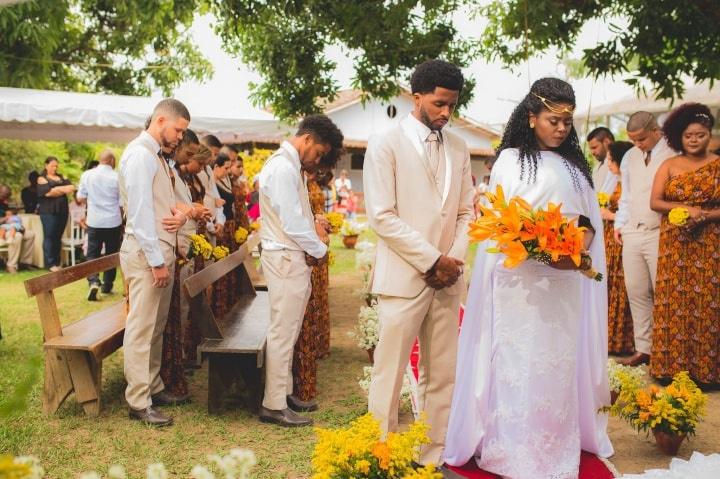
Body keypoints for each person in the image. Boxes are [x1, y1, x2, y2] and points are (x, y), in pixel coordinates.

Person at [445, 78, 613, 478]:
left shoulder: (576, 169)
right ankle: (511, 446)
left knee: (557, 362)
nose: (561, 128)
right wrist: (540, 249)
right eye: (553, 120)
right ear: (532, 117)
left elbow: (587, 219)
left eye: (567, 122)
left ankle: (555, 444)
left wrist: (576, 250)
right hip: (519, 280)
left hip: (564, 280)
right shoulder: (511, 160)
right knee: (517, 360)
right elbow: (502, 220)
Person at [363, 59, 474, 476]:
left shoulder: (460, 147)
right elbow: (382, 216)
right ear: (418, 97)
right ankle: (381, 452)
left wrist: (454, 261)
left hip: (448, 281)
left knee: (441, 373)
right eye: (440, 103)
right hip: (405, 277)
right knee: (388, 373)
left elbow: (467, 212)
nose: (447, 112)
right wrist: (432, 260)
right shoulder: (385, 144)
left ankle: (431, 455)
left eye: (453, 105)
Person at [257, 114, 342, 427]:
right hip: (285, 257)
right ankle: (274, 404)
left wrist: (314, 224)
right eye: (318, 152)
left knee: (289, 329)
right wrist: (320, 250)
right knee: (283, 331)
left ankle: (283, 393)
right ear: (306, 139)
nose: (317, 160)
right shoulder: (282, 167)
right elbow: (290, 222)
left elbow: (295, 216)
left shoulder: (291, 167)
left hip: (290, 256)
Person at [119, 98, 191, 426]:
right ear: (161, 121)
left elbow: (159, 204)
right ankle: (138, 399)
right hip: (147, 254)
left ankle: (153, 385)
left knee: (156, 326)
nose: (180, 137)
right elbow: (139, 215)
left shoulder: (157, 157)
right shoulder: (139, 156)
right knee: (141, 327)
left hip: (161, 252)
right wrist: (156, 261)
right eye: (178, 130)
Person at [649, 103, 720, 384]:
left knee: (709, 304)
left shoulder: (717, 164)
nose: (693, 140)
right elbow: (654, 202)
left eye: (700, 135)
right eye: (688, 135)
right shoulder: (668, 165)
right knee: (672, 304)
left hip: (711, 243)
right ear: (680, 136)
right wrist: (683, 208)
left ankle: (708, 373)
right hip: (674, 243)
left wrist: (704, 215)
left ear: (710, 135)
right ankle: (670, 370)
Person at [614, 112, 678, 367]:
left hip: (660, 230)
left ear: (655, 130)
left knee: (662, 291)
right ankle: (644, 349)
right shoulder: (629, 156)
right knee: (637, 289)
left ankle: (667, 350)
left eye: (641, 139)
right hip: (633, 229)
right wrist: (621, 224)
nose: (638, 144)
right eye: (633, 140)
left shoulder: (673, 152)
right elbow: (626, 195)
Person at [601, 141, 635, 355]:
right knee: (609, 285)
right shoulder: (615, 182)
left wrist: (610, 216)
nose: (607, 164)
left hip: (621, 239)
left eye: (610, 159)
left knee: (621, 288)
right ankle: (607, 337)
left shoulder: (628, 184)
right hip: (608, 241)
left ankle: (621, 340)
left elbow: (633, 210)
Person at [77, 149, 122, 300]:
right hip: (113, 221)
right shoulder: (117, 177)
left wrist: (93, 201)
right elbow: (122, 202)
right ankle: (107, 285)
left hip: (94, 220)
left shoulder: (87, 175)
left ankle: (93, 281)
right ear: (111, 161)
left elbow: (81, 197)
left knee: (92, 253)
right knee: (111, 253)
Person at [37, 156, 74, 271]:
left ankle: (57, 262)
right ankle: (50, 263)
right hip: (48, 212)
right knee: (49, 236)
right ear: (46, 165)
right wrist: (63, 189)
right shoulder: (41, 178)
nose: (55, 168)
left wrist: (56, 189)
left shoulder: (62, 176)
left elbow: (72, 187)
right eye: (52, 165)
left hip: (62, 211)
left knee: (58, 236)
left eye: (56, 166)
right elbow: (47, 193)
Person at [0, 185, 35, 274]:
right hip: (2, 230)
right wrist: (6, 219)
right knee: (17, 236)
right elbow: (6, 218)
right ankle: (11, 265)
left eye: (8, 195)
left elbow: (10, 214)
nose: (7, 198)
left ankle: (25, 262)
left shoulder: (4, 203)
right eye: (5, 195)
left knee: (30, 234)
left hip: (10, 227)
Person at [587, 126, 617, 195]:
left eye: (594, 147)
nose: (592, 152)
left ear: (606, 142)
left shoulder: (617, 163)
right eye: (591, 149)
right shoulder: (597, 167)